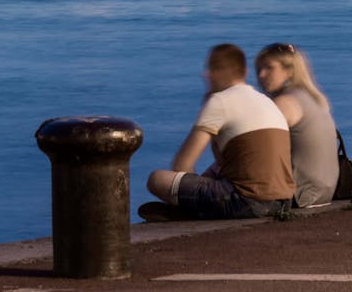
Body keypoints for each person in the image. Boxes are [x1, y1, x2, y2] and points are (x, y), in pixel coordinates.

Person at [142, 43, 294, 220]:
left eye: (213, 68)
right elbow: (225, 164)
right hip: (283, 201)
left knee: (157, 179)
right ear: (244, 71)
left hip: (247, 201)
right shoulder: (265, 101)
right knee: (212, 172)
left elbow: (182, 164)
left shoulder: (220, 101)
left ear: (222, 73)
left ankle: (188, 212)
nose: (205, 74)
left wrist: (187, 194)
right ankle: (198, 209)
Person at [255, 43, 340, 208]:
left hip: (298, 195)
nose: (261, 75)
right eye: (258, 69)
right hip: (324, 192)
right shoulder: (315, 100)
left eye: (269, 68)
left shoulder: (285, 102)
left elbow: (257, 150)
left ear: (289, 71)